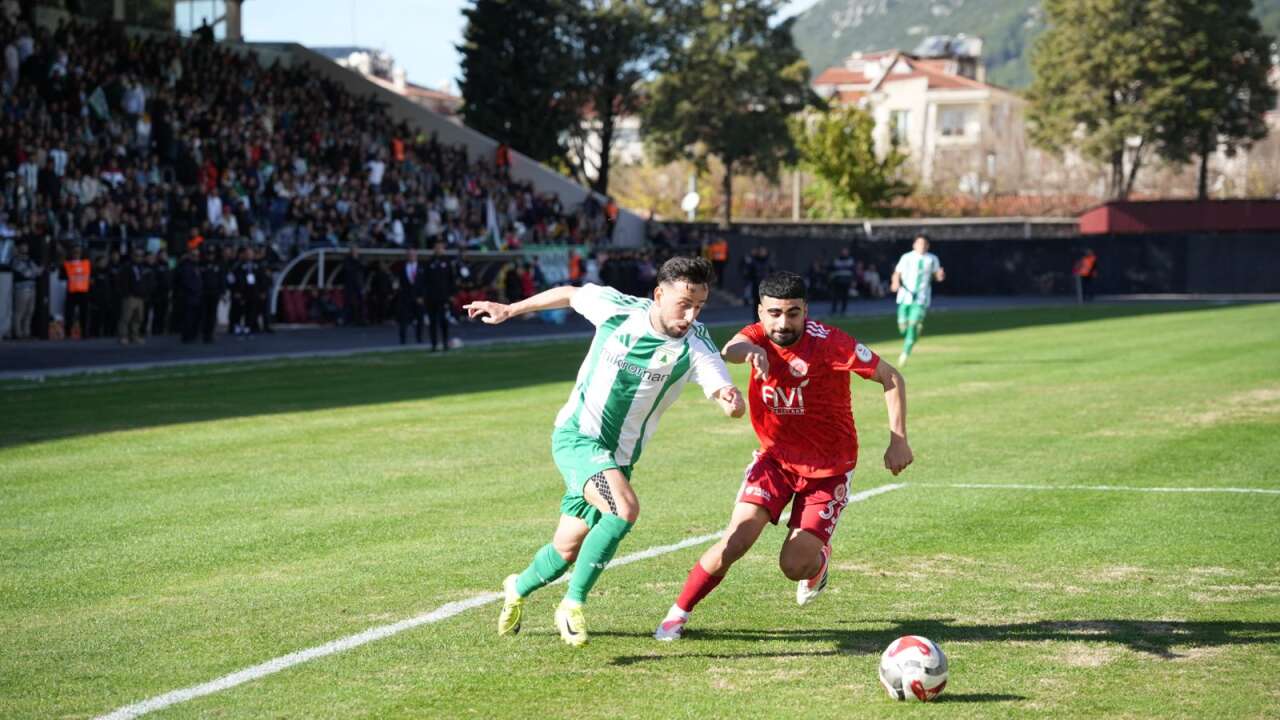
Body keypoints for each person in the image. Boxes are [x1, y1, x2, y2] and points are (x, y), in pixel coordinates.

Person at [464, 256, 746, 647]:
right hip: (578, 437)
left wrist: (730, 400)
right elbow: (569, 293)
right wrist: (511, 308)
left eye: (699, 305)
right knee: (624, 509)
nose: (691, 314)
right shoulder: (617, 309)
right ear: (659, 294)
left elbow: (721, 388)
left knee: (565, 549)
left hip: (619, 460)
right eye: (684, 303)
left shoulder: (695, 343)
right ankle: (573, 604)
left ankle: (516, 587)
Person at [653, 271, 912, 641]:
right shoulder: (757, 336)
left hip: (829, 470)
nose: (783, 322)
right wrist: (753, 351)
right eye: (774, 313)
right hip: (774, 460)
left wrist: (898, 439)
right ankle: (676, 615)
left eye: (793, 313)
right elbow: (731, 350)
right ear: (760, 311)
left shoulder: (832, 343)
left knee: (793, 565)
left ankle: (818, 562)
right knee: (737, 539)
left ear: (805, 310)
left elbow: (891, 377)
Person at [890, 234, 944, 365]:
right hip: (905, 296)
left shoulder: (932, 259)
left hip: (921, 298)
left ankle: (904, 354)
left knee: (912, 324)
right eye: (919, 243)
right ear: (914, 245)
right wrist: (895, 283)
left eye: (924, 244)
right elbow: (897, 273)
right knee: (903, 327)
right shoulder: (907, 257)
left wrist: (940, 276)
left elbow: (937, 275)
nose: (922, 246)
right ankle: (913, 332)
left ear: (928, 246)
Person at [423, 241, 455, 351]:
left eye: (441, 247)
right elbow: (425, 280)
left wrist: (451, 294)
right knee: (432, 322)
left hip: (444, 297)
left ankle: (445, 342)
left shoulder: (447, 262)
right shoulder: (429, 262)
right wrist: (425, 295)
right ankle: (434, 344)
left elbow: (451, 280)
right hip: (431, 298)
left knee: (443, 321)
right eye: (437, 247)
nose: (439, 249)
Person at [395, 248, 427, 344]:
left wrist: (422, 296)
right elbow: (400, 283)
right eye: (409, 255)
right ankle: (402, 340)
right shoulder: (402, 268)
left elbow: (424, 284)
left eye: (413, 255)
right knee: (403, 320)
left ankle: (419, 339)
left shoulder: (422, 268)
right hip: (406, 298)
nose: (411, 256)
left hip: (419, 298)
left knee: (420, 320)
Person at [11, 241, 41, 339]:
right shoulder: (15, 260)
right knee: (19, 311)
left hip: (32, 287)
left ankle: (26, 332)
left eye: (26, 246)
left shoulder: (29, 260)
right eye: (23, 246)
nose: (25, 248)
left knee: (30, 311)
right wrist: (34, 272)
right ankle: (18, 333)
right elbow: (27, 273)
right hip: (21, 288)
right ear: (19, 248)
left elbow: (38, 272)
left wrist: (34, 272)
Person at [61, 245, 91, 339]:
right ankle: (67, 333)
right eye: (75, 252)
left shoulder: (87, 263)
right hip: (72, 291)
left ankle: (85, 333)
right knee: (69, 313)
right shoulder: (67, 264)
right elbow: (61, 276)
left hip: (83, 292)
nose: (76, 254)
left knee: (84, 313)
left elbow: (91, 275)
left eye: (78, 252)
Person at [340, 246, 365, 326]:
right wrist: (355, 261)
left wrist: (356, 261)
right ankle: (349, 320)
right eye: (354, 250)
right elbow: (348, 269)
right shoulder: (347, 259)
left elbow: (363, 267)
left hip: (358, 284)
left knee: (361, 302)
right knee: (350, 302)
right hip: (350, 284)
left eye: (356, 250)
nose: (355, 252)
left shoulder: (360, 258)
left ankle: (360, 320)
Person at [828, 247, 855, 315]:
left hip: (846, 280)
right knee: (836, 296)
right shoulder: (837, 260)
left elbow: (853, 271)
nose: (845, 253)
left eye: (846, 251)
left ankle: (843, 310)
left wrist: (853, 280)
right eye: (843, 251)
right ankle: (834, 310)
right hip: (838, 280)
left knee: (845, 296)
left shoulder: (851, 260)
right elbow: (833, 268)